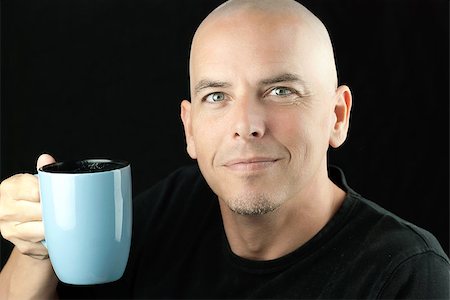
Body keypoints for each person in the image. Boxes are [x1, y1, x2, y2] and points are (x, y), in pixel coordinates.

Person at [0, 0, 449, 298]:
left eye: (279, 91)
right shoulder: (175, 208)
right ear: (190, 129)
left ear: (337, 116)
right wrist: (37, 248)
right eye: (217, 96)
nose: (246, 125)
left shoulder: (408, 274)